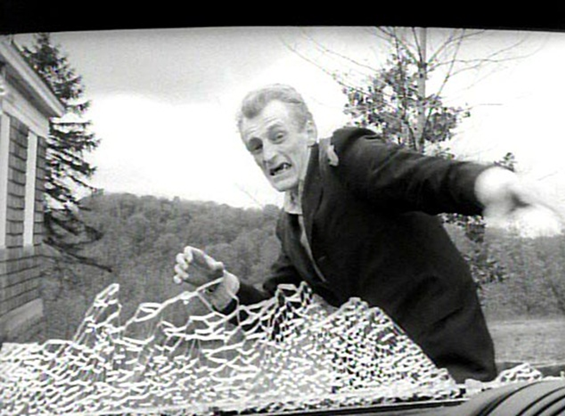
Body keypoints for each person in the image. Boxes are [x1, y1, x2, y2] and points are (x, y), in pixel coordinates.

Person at [173, 84, 542, 383]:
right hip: (373, 383)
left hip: (445, 372)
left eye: (278, 136)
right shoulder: (289, 226)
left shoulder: (345, 158)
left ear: (309, 131)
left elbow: (421, 176)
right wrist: (219, 287)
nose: (268, 154)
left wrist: (488, 184)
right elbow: (277, 317)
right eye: (256, 146)